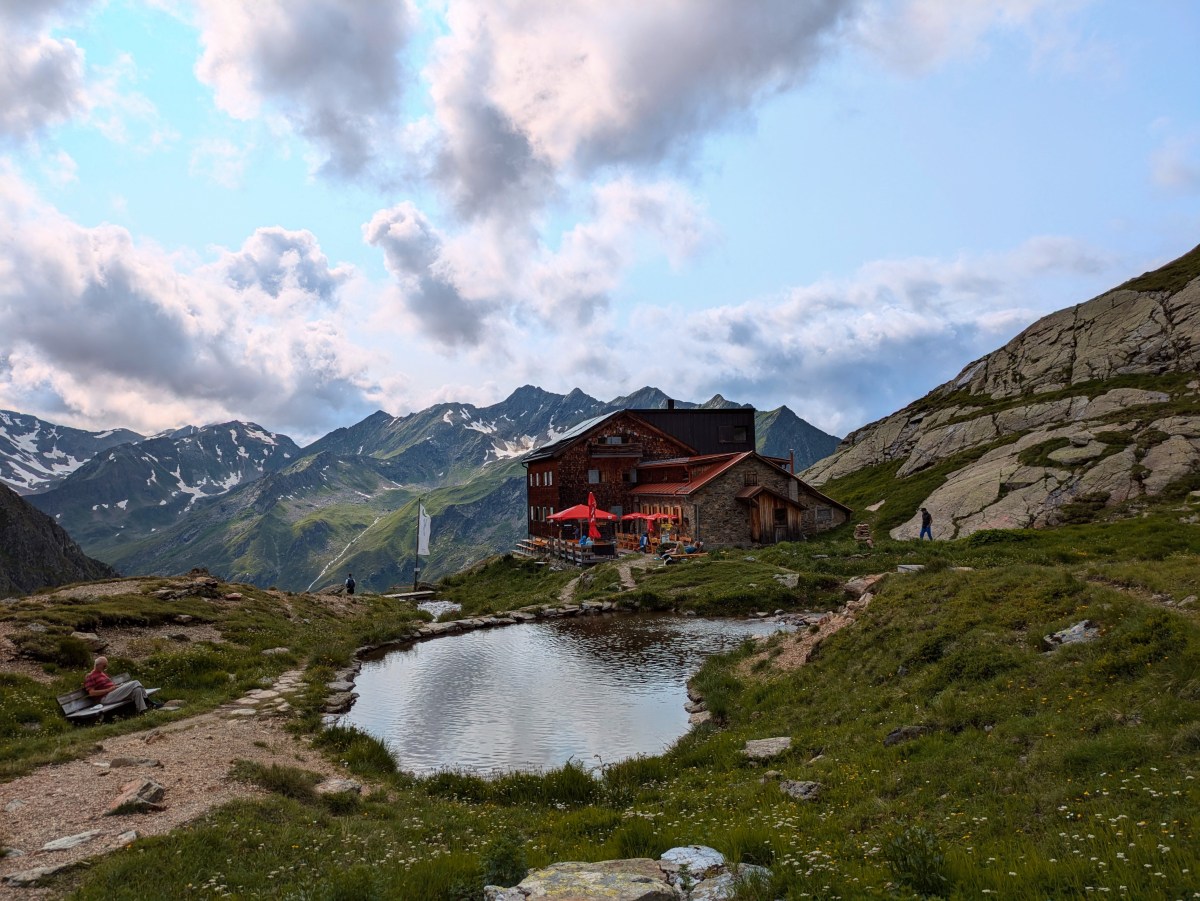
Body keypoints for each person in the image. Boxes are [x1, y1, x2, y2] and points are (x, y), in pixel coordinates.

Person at [84, 656, 160, 712]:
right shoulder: (90, 676)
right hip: (105, 698)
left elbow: (110, 686)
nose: (105, 667)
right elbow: (92, 693)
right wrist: (107, 690)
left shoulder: (103, 674)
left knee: (137, 689)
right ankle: (150, 703)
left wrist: (116, 687)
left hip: (113, 693)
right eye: (104, 665)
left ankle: (142, 711)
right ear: (98, 665)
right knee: (135, 682)